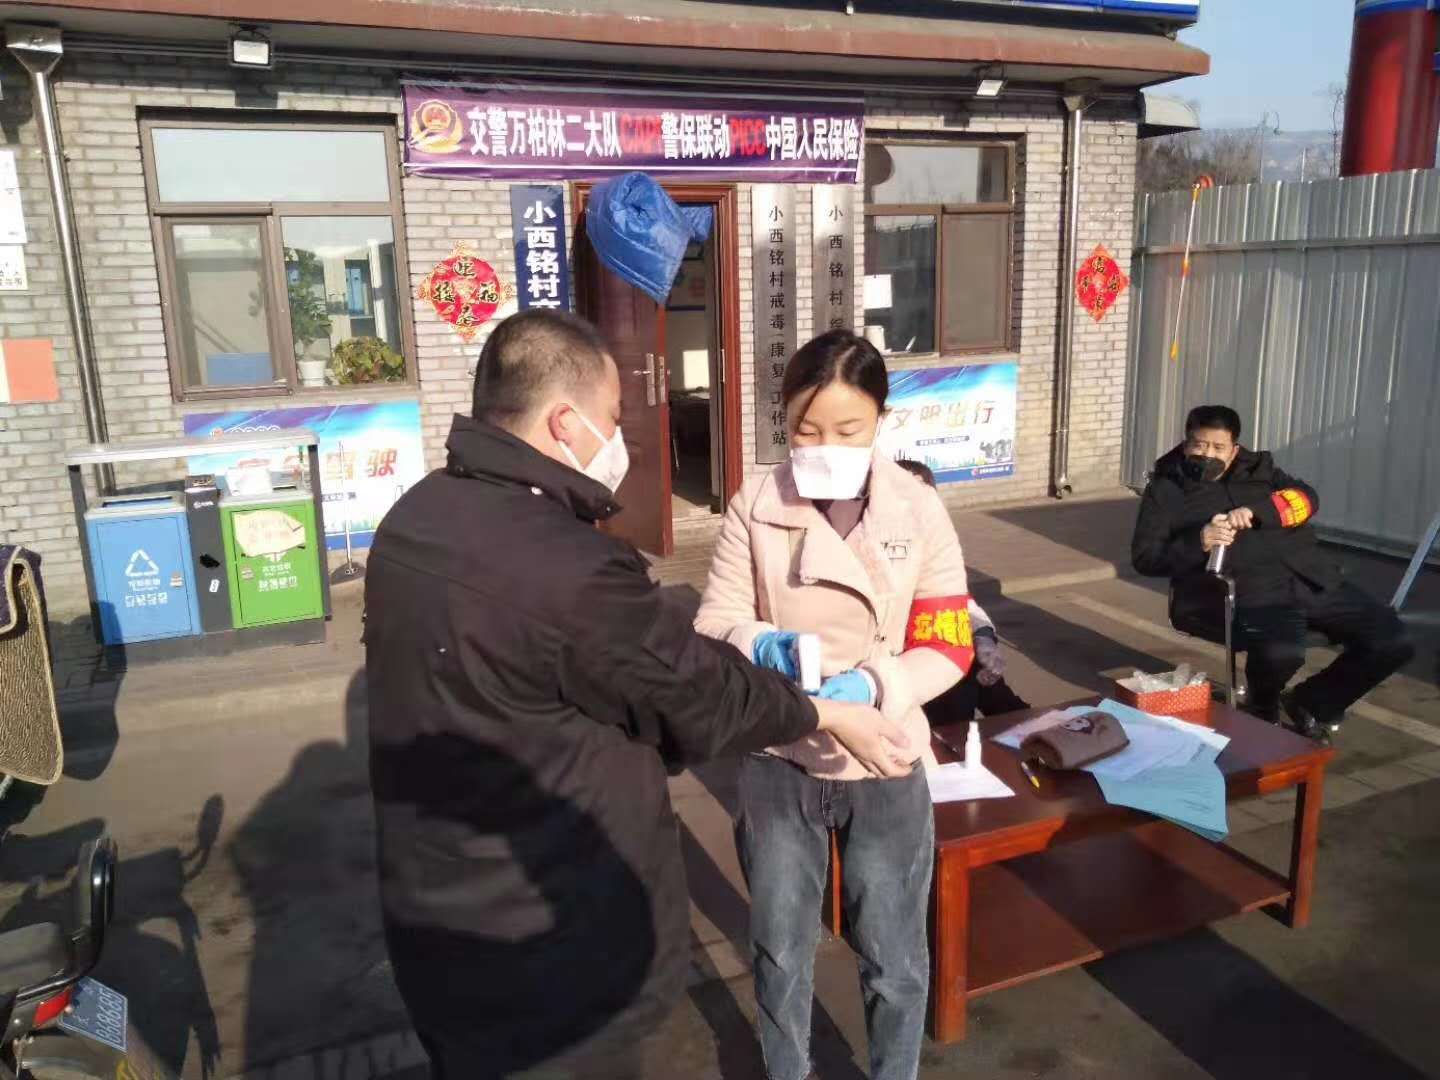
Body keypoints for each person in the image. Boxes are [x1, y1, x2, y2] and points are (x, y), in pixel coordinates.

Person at [363, 310, 912, 1079]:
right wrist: (824, 709)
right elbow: (695, 691)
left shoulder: (415, 518)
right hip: (549, 957)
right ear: (566, 422)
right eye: (615, 419)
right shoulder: (564, 565)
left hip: (437, 919)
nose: (620, 439)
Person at [695, 329, 975, 1080]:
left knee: (895, 954)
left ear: (882, 419)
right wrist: (762, 643)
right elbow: (714, 621)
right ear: (784, 420)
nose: (825, 447)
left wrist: (877, 686)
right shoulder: (756, 502)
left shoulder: (917, 506)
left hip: (885, 754)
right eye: (806, 429)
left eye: (848, 429)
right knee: (781, 950)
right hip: (780, 752)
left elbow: (948, 642)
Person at [1131, 404, 1414, 740]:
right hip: (1249, 591)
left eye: (1218, 447)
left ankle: (1313, 702)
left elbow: (1306, 499)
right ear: (1185, 443)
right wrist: (1200, 540)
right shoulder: (1167, 489)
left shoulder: (1260, 471)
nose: (1207, 455)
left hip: (1311, 577)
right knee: (1283, 653)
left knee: (1393, 640)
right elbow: (1146, 558)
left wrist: (1258, 511)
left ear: (1234, 449)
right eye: (1199, 445)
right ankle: (1262, 708)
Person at [892, 459, 1031, 724]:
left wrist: (983, 639)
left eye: (922, 496)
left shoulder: (939, 552)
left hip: (948, 687)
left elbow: (961, 602)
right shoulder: (868, 553)